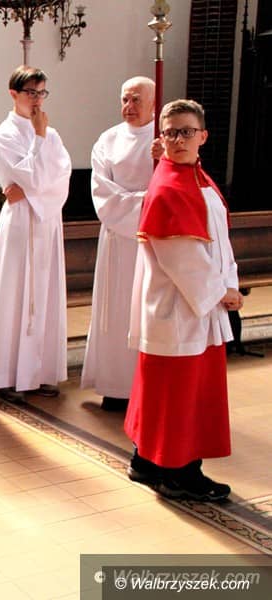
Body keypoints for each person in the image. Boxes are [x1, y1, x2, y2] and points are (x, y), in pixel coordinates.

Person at [124, 99, 241, 502]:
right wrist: (221, 291)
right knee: (180, 395)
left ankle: (145, 462)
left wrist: (229, 281)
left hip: (195, 306)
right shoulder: (170, 186)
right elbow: (180, 257)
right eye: (170, 132)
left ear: (203, 136)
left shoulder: (199, 180)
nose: (178, 139)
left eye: (186, 132)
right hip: (180, 308)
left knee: (165, 391)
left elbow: (220, 243)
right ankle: (178, 474)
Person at [0, 66, 72, 403]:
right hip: (20, 222)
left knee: (44, 295)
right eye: (31, 92)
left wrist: (32, 189)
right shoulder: (3, 135)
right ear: (14, 94)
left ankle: (40, 373)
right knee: (14, 294)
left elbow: (61, 178)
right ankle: (4, 375)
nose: (37, 100)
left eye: (42, 92)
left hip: (47, 221)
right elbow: (31, 177)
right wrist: (39, 142)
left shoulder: (52, 134)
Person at [80, 77, 156, 412]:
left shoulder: (163, 140)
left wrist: (151, 199)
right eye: (125, 99)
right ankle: (115, 386)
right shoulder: (107, 140)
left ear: (154, 102)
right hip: (116, 242)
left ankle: (147, 388)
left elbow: (174, 188)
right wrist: (146, 202)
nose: (129, 106)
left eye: (137, 99)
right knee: (116, 313)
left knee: (146, 313)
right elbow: (103, 194)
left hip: (152, 244)